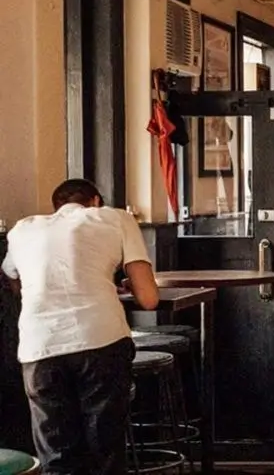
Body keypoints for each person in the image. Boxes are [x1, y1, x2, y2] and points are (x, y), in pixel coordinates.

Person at [1, 179, 159, 475]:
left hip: (40, 345)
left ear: (56, 208)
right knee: (105, 452)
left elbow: (12, 276)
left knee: (58, 456)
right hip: (100, 339)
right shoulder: (117, 217)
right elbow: (148, 298)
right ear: (96, 201)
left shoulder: (23, 229)